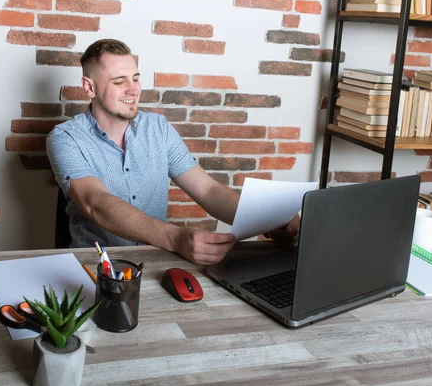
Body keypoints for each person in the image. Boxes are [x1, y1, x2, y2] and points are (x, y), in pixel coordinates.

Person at [47, 38, 299, 266]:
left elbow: (208, 190)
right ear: (89, 87)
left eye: (135, 78)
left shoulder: (158, 128)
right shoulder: (65, 137)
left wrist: (272, 220)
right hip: (97, 265)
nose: (133, 89)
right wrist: (176, 238)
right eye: (119, 81)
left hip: (155, 261)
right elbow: (96, 203)